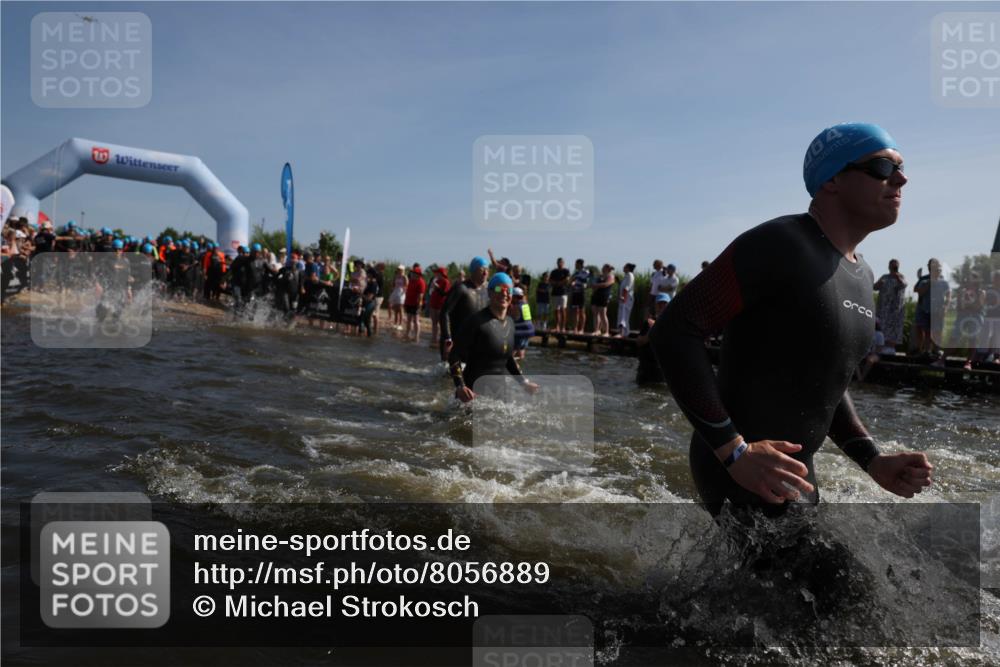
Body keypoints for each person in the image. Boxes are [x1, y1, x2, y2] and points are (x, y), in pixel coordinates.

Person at [650, 122, 933, 517]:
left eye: (902, 167)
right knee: (842, 579)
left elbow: (825, 382)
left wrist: (873, 460)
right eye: (883, 167)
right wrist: (734, 451)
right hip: (745, 469)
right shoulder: (781, 244)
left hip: (792, 474)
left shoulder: (861, 274)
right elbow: (675, 331)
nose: (902, 178)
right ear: (833, 178)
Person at [449, 272, 539, 402]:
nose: (504, 293)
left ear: (511, 295)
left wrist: (523, 382)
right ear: (489, 293)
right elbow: (454, 355)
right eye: (498, 289)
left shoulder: (510, 323)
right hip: (472, 396)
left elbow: (508, 358)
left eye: (508, 290)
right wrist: (460, 387)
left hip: (499, 397)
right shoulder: (476, 321)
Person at [440, 256, 490, 361]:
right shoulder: (461, 288)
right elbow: (444, 313)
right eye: (481, 270)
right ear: (473, 271)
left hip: (474, 343)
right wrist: (448, 339)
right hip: (455, 341)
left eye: (487, 270)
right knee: (449, 375)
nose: (485, 273)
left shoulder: (488, 289)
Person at [913, 258, 951, 360]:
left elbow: (948, 296)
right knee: (925, 331)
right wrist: (930, 282)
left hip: (938, 310)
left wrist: (945, 307)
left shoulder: (944, 282)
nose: (936, 269)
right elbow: (918, 291)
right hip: (924, 309)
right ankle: (924, 351)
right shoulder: (924, 280)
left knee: (937, 331)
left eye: (938, 268)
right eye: (933, 267)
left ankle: (936, 350)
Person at [636, 293, 671, 384]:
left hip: (663, 371)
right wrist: (651, 333)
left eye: (665, 304)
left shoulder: (673, 325)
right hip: (646, 368)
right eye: (660, 304)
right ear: (655, 306)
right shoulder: (649, 323)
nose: (662, 306)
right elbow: (639, 342)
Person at [873, 259, 907, 351]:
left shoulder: (901, 276)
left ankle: (890, 348)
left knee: (894, 329)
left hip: (895, 310)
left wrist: (896, 276)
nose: (893, 267)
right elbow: (874, 287)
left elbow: (904, 285)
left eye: (895, 266)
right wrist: (879, 283)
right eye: (892, 265)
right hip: (883, 309)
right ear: (888, 266)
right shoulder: (884, 277)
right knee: (882, 327)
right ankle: (881, 347)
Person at [428, 267, 451, 348]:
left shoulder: (446, 282)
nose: (435, 274)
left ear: (441, 273)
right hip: (433, 304)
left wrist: (437, 287)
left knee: (441, 324)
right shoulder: (436, 280)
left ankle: (441, 340)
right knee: (434, 323)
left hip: (440, 305)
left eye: (436, 272)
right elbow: (431, 291)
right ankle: (434, 339)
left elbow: (444, 294)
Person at [590, 264, 615, 336]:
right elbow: (593, 285)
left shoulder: (611, 276)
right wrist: (594, 286)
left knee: (603, 314)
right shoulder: (600, 276)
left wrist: (596, 285)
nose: (602, 268)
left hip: (604, 296)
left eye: (604, 267)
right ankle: (597, 330)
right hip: (596, 295)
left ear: (607, 268)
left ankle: (606, 332)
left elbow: (606, 284)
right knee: (595, 313)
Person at [403, 263, 426, 342]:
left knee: (416, 320)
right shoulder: (411, 281)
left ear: (418, 274)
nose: (412, 274)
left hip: (416, 304)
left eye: (413, 273)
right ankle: (408, 334)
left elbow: (421, 295)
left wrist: (419, 305)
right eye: (412, 273)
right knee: (408, 319)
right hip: (409, 302)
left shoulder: (421, 282)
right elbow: (408, 291)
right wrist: (405, 302)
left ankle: (416, 337)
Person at [511, 286, 535, 360]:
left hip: (520, 332)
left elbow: (512, 319)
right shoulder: (526, 304)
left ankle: (511, 364)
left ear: (515, 297)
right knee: (521, 350)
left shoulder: (516, 307)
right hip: (529, 332)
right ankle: (519, 363)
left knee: (512, 351)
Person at [549, 258, 570, 332]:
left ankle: (563, 327)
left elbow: (567, 279)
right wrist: (555, 283)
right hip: (555, 293)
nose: (559, 263)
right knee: (556, 310)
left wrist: (559, 283)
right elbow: (550, 280)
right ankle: (557, 326)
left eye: (561, 262)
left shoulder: (566, 271)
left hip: (563, 292)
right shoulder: (554, 272)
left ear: (563, 263)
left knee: (563, 309)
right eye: (558, 262)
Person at [569, 259, 590, 333]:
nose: (575, 265)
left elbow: (586, 282)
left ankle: (582, 329)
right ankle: (575, 328)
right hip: (575, 292)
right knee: (575, 311)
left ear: (580, 264)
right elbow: (571, 280)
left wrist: (576, 282)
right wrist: (572, 282)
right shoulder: (576, 272)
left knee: (582, 311)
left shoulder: (586, 271)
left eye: (576, 264)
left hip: (582, 293)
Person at [617, 263, 636, 337]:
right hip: (624, 299)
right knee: (621, 315)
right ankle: (623, 333)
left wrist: (623, 297)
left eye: (624, 267)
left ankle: (622, 333)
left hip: (626, 299)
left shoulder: (630, 275)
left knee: (623, 316)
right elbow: (623, 286)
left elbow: (627, 288)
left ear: (628, 268)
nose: (623, 267)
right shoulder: (626, 276)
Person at [388, 264, 407, 329]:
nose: (399, 270)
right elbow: (393, 284)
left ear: (403, 270)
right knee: (396, 309)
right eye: (399, 269)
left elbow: (406, 285)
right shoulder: (396, 276)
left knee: (400, 308)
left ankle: (400, 324)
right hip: (396, 291)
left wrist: (404, 292)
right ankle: (395, 323)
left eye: (400, 269)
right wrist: (392, 289)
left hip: (401, 292)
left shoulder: (404, 277)